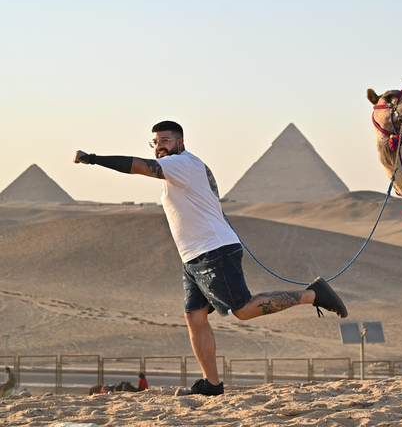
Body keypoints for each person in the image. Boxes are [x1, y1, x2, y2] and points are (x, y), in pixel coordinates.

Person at [74, 120, 347, 396]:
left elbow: (139, 166)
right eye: (155, 142)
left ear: (180, 142)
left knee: (243, 309)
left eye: (165, 140)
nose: (159, 147)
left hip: (213, 252)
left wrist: (94, 159)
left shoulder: (182, 165)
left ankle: (314, 294)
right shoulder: (184, 169)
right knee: (195, 318)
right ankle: (212, 384)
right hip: (193, 257)